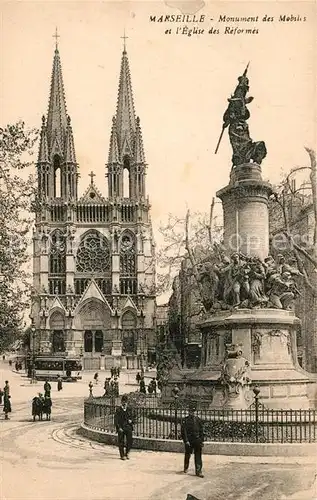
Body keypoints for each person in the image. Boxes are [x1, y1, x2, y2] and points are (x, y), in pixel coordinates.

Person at [181, 402, 204, 478]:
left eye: (193, 411)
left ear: (195, 412)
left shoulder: (198, 420)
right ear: (188, 411)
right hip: (189, 441)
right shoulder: (185, 420)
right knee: (188, 454)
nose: (192, 413)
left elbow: (201, 431)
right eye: (191, 411)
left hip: (197, 440)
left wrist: (201, 440)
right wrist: (186, 441)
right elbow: (183, 431)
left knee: (198, 456)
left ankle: (198, 471)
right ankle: (186, 467)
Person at [114, 395, 134, 460]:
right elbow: (116, 420)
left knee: (130, 441)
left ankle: (127, 453)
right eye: (123, 401)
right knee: (121, 441)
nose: (124, 403)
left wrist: (131, 420)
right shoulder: (118, 410)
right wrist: (119, 427)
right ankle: (122, 455)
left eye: (126, 402)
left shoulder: (129, 409)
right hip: (121, 428)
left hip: (128, 427)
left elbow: (133, 417)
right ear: (121, 402)